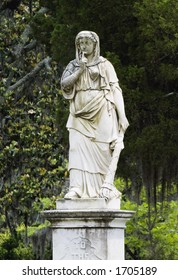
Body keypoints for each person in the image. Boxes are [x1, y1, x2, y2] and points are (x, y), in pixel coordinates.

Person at [61, 31, 129, 200]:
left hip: (101, 111)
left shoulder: (105, 65)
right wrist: (79, 71)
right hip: (78, 114)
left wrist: (122, 115)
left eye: (86, 43)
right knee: (76, 148)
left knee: (103, 149)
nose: (83, 46)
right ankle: (76, 188)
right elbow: (64, 84)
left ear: (95, 45)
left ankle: (103, 186)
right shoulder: (73, 65)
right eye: (81, 43)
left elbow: (115, 89)